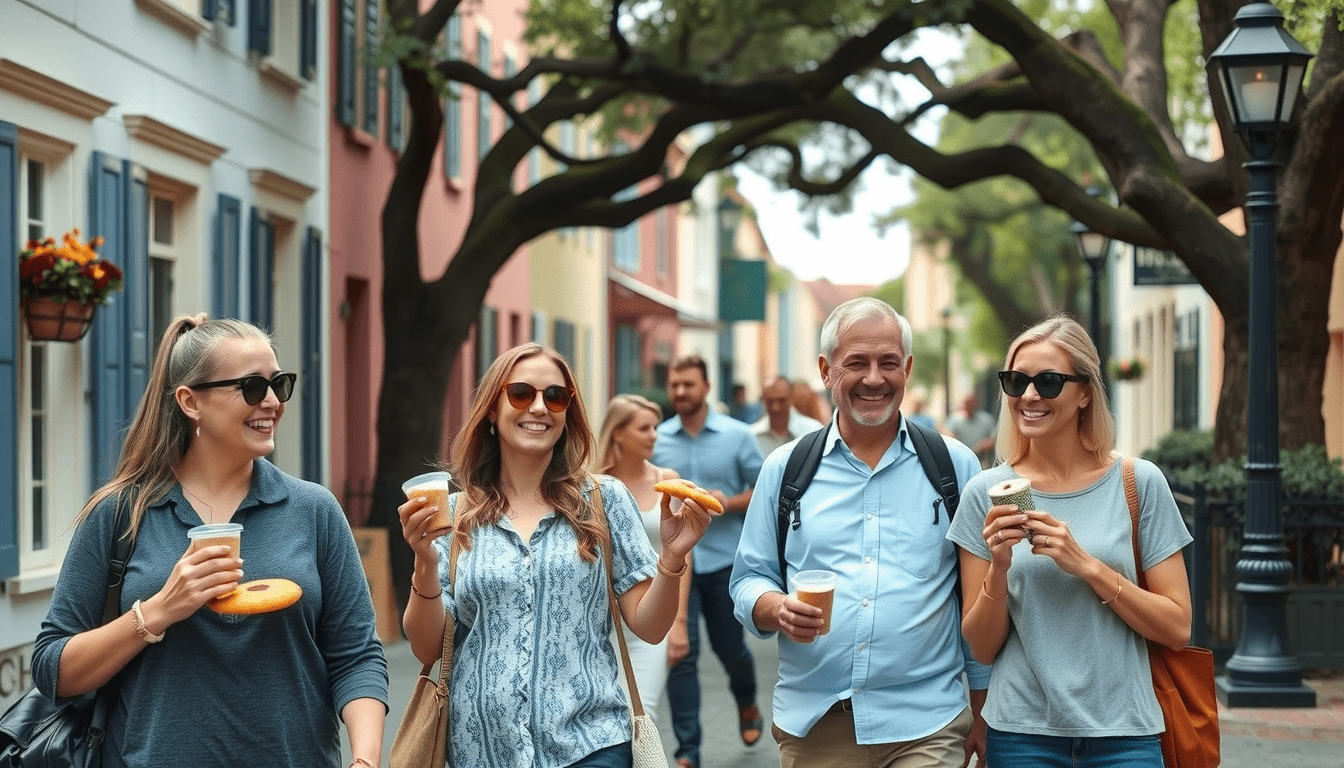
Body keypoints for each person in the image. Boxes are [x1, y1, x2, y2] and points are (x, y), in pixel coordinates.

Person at [31, 314, 388, 768]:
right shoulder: (120, 513)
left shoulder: (313, 510)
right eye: (253, 388)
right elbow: (52, 668)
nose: (274, 402)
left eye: (280, 384)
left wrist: (366, 760)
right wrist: (158, 611)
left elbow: (356, 655)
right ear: (190, 401)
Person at [398, 343, 718, 768]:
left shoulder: (605, 501)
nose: (538, 407)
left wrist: (673, 558)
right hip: (481, 752)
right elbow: (427, 647)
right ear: (492, 409)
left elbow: (650, 626)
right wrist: (424, 561)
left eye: (555, 396)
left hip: (589, 745)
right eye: (521, 393)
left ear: (568, 412)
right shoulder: (455, 516)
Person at [730, 297, 990, 768]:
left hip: (926, 722)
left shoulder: (954, 466)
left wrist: (983, 706)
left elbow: (972, 596)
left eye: (888, 362)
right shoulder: (785, 470)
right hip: (817, 724)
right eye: (857, 363)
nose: (874, 378)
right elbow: (749, 578)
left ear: (907, 368)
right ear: (827, 370)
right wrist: (776, 608)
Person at [946, 314, 1193, 767]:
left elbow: (1177, 627)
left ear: (1084, 393)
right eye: (1016, 381)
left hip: (1126, 734)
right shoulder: (985, 494)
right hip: (1022, 734)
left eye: (1049, 381)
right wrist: (999, 567)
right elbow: (980, 647)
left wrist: (1089, 566)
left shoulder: (1138, 483)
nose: (1029, 396)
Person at [651, 355, 766, 768]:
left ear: (706, 387)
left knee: (732, 648)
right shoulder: (659, 439)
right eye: (675, 385)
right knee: (681, 653)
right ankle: (689, 753)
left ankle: (747, 700)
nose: (680, 392)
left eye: (688, 384)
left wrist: (727, 501)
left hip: (723, 561)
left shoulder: (738, 436)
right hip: (677, 564)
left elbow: (762, 490)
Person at [594, 393, 694, 721]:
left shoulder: (667, 481)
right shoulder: (592, 486)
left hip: (652, 612)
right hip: (600, 618)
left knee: (641, 715)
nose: (654, 435)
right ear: (618, 432)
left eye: (655, 427)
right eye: (644, 428)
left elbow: (682, 554)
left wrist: (679, 623)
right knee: (604, 717)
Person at [751, 375, 826, 458]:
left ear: (791, 398)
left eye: (781, 400)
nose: (775, 407)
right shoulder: (753, 436)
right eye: (770, 401)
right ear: (763, 399)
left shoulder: (814, 431)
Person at [946, 393, 996, 469]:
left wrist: (984, 445)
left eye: (971, 403)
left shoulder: (986, 419)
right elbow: (947, 436)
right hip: (961, 461)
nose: (969, 406)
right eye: (966, 403)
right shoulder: (955, 420)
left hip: (982, 462)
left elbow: (995, 439)